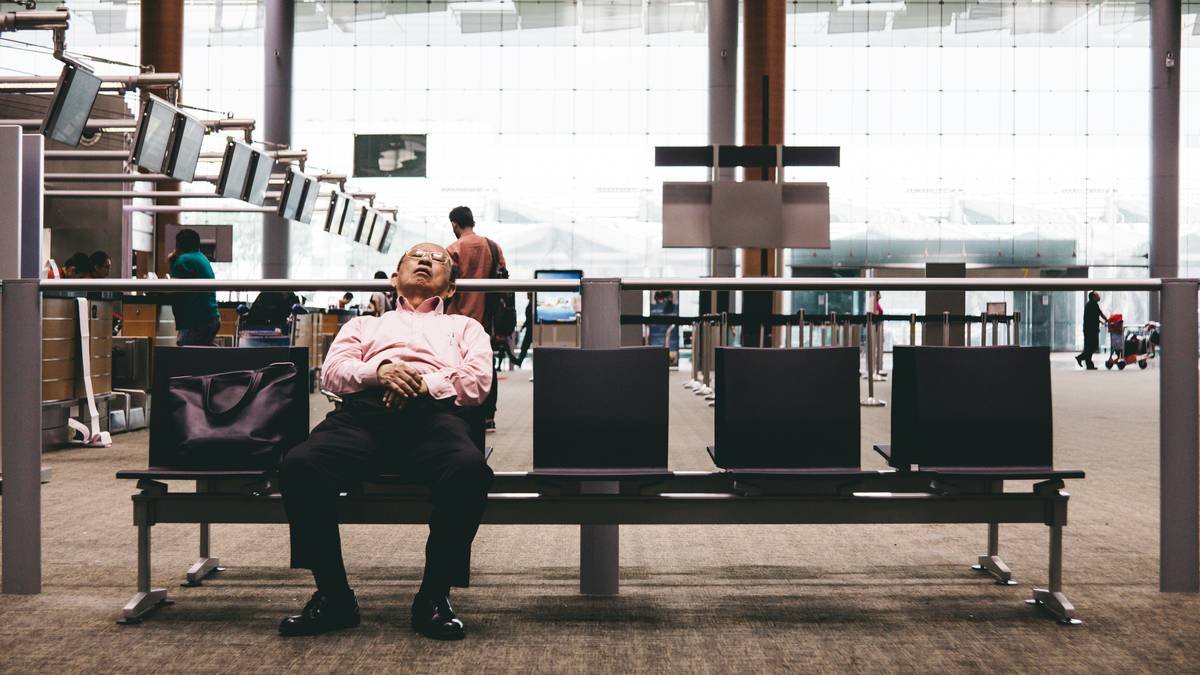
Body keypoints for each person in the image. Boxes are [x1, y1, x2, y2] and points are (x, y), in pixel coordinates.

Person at [277, 242, 493, 641]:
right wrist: (382, 372)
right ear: (395, 279)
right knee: (299, 465)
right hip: (364, 415)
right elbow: (333, 373)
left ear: (449, 290)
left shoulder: (465, 328)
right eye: (417, 256)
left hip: (435, 417)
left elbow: (477, 383)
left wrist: (420, 384)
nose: (427, 260)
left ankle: (434, 597)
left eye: (438, 260)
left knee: (470, 471)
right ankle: (334, 595)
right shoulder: (364, 326)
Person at [445, 206, 507, 432]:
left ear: (455, 224)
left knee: (458, 367)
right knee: (486, 366)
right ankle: (488, 416)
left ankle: (463, 413)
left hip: (457, 320)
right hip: (486, 320)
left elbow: (444, 285)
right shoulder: (493, 247)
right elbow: (504, 282)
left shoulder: (453, 249)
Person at [169, 228, 221, 346]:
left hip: (195, 321)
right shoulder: (202, 257)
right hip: (210, 317)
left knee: (186, 357)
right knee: (200, 354)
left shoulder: (183, 260)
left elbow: (172, 288)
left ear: (178, 244)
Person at [1075, 291, 1108, 370]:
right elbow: (1100, 314)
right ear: (1093, 297)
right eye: (1097, 296)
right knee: (1093, 346)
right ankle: (1080, 357)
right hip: (1091, 330)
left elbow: (1093, 317)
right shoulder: (1093, 305)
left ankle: (1089, 364)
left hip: (1088, 329)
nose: (1099, 297)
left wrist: (1101, 322)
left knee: (1089, 347)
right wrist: (1107, 320)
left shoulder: (1089, 305)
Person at [515, 292, 534, 368]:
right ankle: (520, 361)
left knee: (525, 346)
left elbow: (529, 319)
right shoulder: (530, 304)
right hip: (530, 329)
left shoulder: (531, 305)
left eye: (528, 294)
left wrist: (523, 327)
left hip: (531, 330)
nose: (527, 296)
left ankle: (520, 361)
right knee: (524, 346)